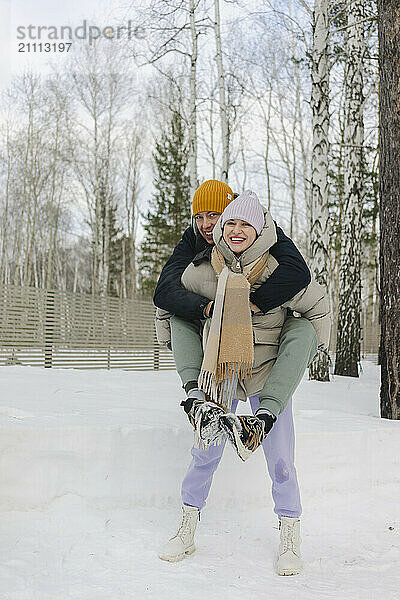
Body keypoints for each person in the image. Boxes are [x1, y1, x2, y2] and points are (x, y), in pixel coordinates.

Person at [154, 181, 330, 575]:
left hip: (266, 373)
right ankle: (186, 528)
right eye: (222, 222)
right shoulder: (201, 268)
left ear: (258, 229)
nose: (230, 229)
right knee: (204, 453)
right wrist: (175, 339)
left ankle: (289, 536)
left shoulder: (277, 269)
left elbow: (317, 306)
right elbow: (166, 301)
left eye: (241, 224)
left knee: (281, 460)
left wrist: (312, 348)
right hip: (220, 371)